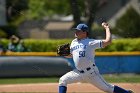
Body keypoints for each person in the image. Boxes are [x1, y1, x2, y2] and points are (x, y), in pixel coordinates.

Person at [58, 22, 134, 93]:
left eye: (78, 31)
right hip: (78, 72)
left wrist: (107, 28)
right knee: (62, 80)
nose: (76, 32)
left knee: (108, 88)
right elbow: (71, 55)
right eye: (76, 30)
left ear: (84, 32)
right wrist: (64, 54)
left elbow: (108, 41)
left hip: (91, 73)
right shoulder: (74, 42)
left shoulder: (91, 42)